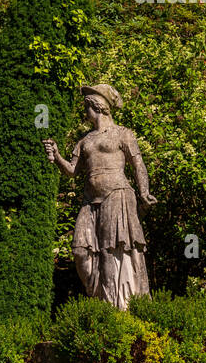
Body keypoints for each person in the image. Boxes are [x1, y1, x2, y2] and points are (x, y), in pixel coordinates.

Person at [43, 83, 156, 310]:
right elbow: (73, 171)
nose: (85, 113)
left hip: (117, 195)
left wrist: (144, 192)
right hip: (90, 201)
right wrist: (56, 155)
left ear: (97, 106)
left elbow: (138, 163)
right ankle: (99, 302)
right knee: (80, 251)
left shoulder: (123, 134)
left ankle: (116, 307)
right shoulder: (85, 140)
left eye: (87, 107)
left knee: (112, 251)